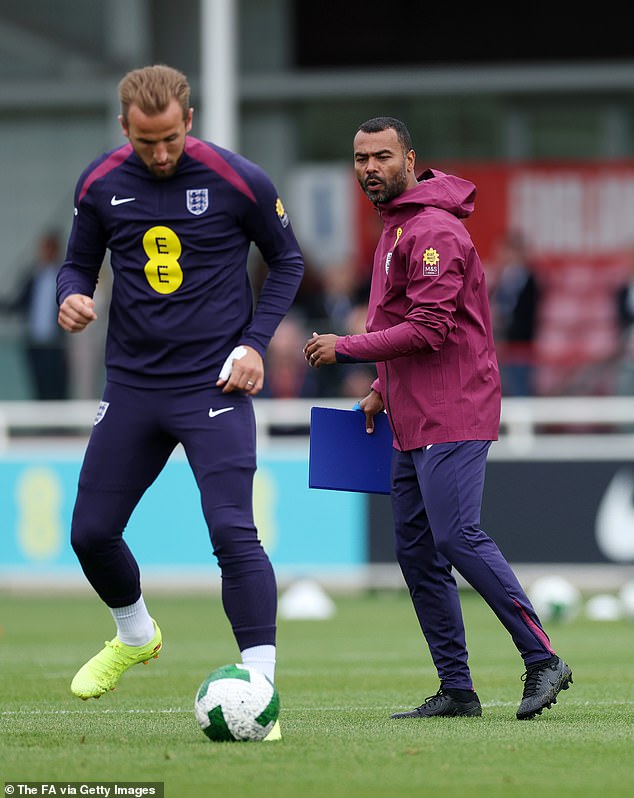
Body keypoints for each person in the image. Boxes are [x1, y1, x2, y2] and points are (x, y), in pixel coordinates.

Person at [56, 65, 304, 740]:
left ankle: (262, 690)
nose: (159, 154)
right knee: (89, 533)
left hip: (213, 386)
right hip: (133, 386)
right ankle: (135, 633)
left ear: (188, 121)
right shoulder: (99, 183)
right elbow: (78, 263)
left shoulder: (238, 178)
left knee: (231, 532)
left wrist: (254, 343)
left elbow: (287, 260)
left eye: (169, 139)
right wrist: (70, 297)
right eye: (145, 142)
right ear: (124, 129)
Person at [303, 117, 572, 721]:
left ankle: (542, 658)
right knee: (419, 554)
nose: (370, 167)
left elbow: (429, 329)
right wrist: (379, 387)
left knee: (456, 535)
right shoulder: (397, 229)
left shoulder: (433, 232)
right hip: (409, 415)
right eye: (361, 158)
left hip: (456, 407)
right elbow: (407, 324)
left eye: (382, 156)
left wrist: (344, 348)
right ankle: (458, 690)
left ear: (409, 159)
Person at [2, 231, 69, 399]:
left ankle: (56, 425)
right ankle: (43, 425)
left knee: (56, 388)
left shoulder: (64, 276)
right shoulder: (32, 276)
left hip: (56, 345)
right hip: (34, 343)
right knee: (38, 388)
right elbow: (19, 303)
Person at [489, 230, 541, 396]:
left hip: (519, 343)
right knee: (500, 387)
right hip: (499, 341)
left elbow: (528, 314)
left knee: (520, 387)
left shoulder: (529, 279)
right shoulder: (501, 278)